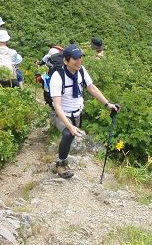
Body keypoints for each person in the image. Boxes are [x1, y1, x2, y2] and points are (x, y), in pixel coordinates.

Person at [50, 44, 119, 178]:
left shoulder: (81, 70)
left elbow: (91, 88)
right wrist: (69, 126)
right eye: (75, 59)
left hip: (77, 113)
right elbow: (57, 106)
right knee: (68, 133)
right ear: (66, 61)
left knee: (70, 136)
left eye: (80, 57)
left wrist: (107, 104)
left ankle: (62, 159)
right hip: (61, 114)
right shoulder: (57, 77)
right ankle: (61, 164)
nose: (79, 61)